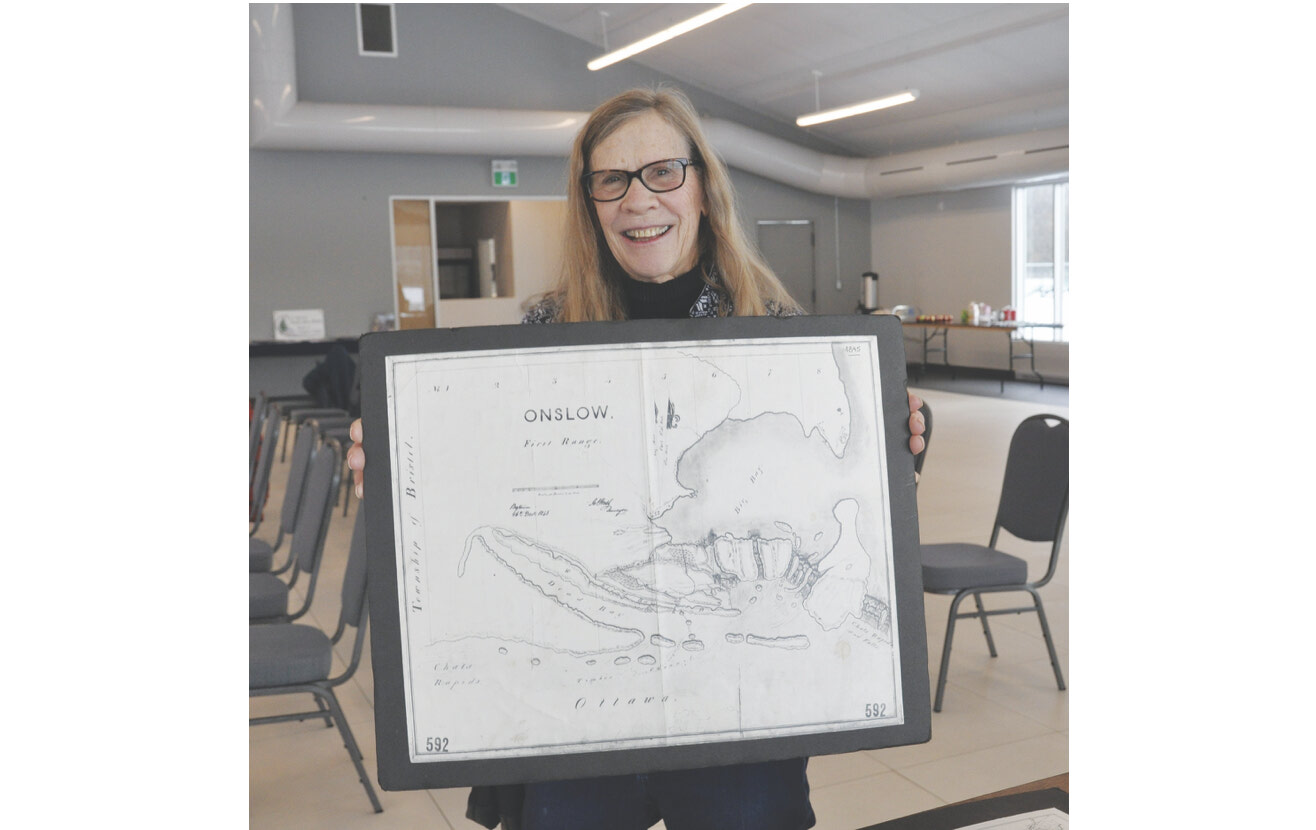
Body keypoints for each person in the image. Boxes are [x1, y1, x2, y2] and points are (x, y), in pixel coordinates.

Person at [347, 86, 927, 830]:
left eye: (662, 172)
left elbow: (846, 501)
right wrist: (397, 467)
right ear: (589, 203)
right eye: (611, 180)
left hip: (740, 708)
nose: (638, 200)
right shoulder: (539, 333)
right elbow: (485, 482)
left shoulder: (780, 332)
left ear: (702, 189)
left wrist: (898, 438)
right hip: (583, 719)